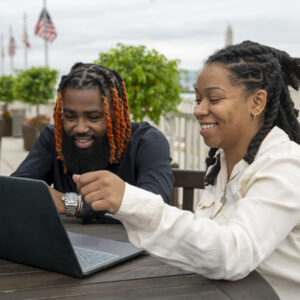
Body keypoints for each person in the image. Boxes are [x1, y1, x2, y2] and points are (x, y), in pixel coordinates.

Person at [73, 41, 300, 299]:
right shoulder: (222, 166)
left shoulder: (285, 165)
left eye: (213, 99)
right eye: (197, 98)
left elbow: (232, 252)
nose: (199, 110)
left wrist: (100, 202)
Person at [12, 63, 173, 224]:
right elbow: (15, 191)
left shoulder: (148, 141)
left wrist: (69, 203)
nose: (80, 128)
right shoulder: (53, 138)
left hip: (132, 247)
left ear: (116, 114)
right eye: (70, 117)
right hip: (67, 245)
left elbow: (156, 206)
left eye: (94, 117)